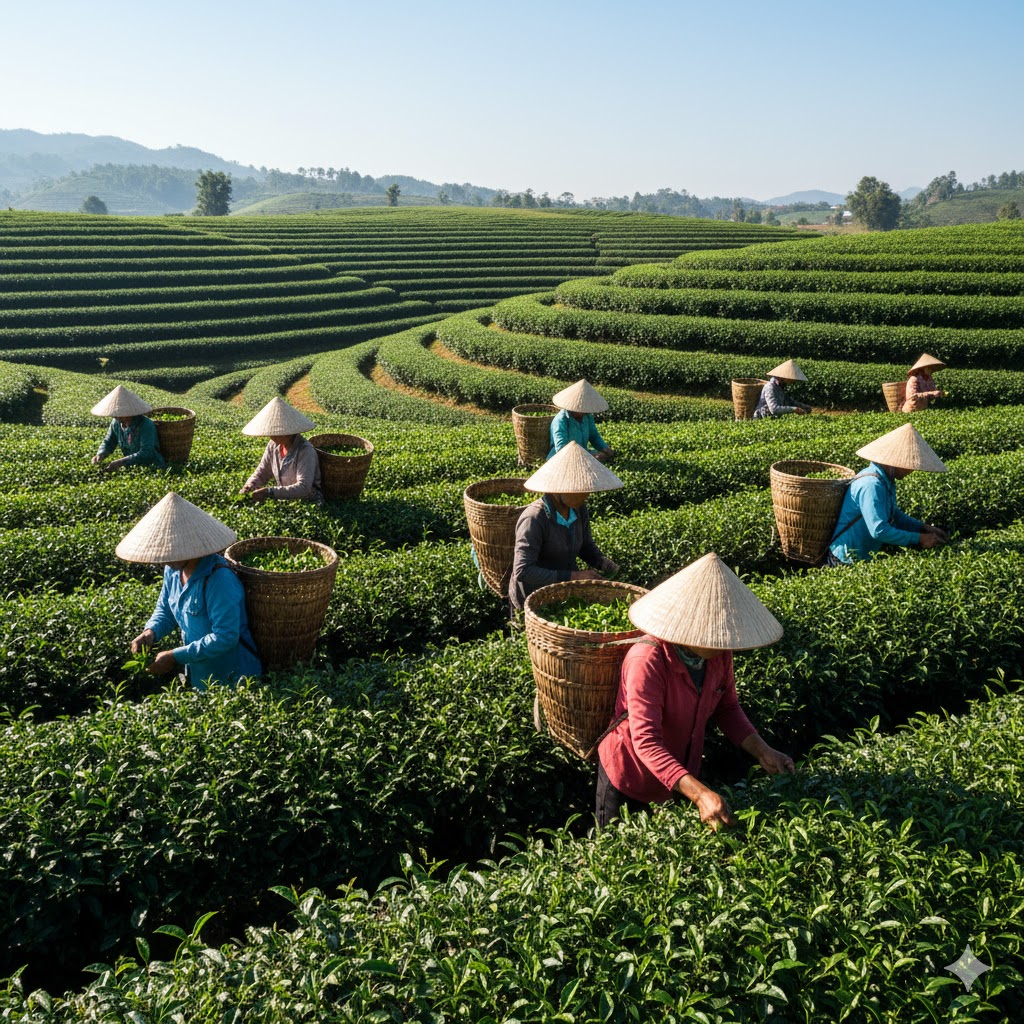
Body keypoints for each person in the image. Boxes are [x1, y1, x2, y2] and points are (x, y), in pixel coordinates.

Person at [596, 552, 794, 829]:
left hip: (676, 776)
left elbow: (727, 708)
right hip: (631, 779)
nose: (726, 642)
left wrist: (764, 752)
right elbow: (646, 742)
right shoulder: (647, 660)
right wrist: (701, 795)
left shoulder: (718, 654)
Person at [117, 492, 262, 689]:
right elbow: (166, 609)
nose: (163, 558)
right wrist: (150, 632)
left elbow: (225, 636)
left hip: (233, 680)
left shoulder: (219, 580)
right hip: (200, 676)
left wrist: (175, 656)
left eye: (169, 551)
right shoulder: (173, 570)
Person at [510, 441, 622, 617]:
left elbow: (585, 545)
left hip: (561, 595)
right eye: (579, 489)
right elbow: (523, 571)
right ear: (558, 489)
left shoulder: (578, 509)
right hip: (533, 601)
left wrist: (601, 561)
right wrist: (574, 576)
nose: (585, 495)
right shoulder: (534, 519)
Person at [828, 422, 948, 566]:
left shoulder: (886, 481)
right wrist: (919, 538)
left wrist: (922, 527)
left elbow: (894, 514)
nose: (911, 470)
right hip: (845, 559)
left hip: (862, 556)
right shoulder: (871, 485)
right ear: (894, 462)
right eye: (908, 465)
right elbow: (879, 530)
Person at [240, 397, 323, 502]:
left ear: (288, 432)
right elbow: (262, 472)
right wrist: (250, 485)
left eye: (276, 432)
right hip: (285, 500)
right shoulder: (273, 445)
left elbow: (303, 488)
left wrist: (269, 492)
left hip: (309, 503)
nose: (271, 436)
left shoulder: (305, 451)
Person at [90, 385, 165, 471]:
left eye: (121, 414)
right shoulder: (116, 423)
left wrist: (120, 462)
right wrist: (100, 455)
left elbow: (146, 453)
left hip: (153, 467)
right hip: (131, 468)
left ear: (130, 412)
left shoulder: (146, 425)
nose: (117, 417)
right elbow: (109, 442)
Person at [548, 379, 616, 462]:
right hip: (561, 459)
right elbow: (562, 449)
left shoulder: (587, 417)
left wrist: (605, 449)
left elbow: (594, 436)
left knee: (603, 457)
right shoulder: (561, 420)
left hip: (583, 453)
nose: (584, 411)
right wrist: (591, 457)